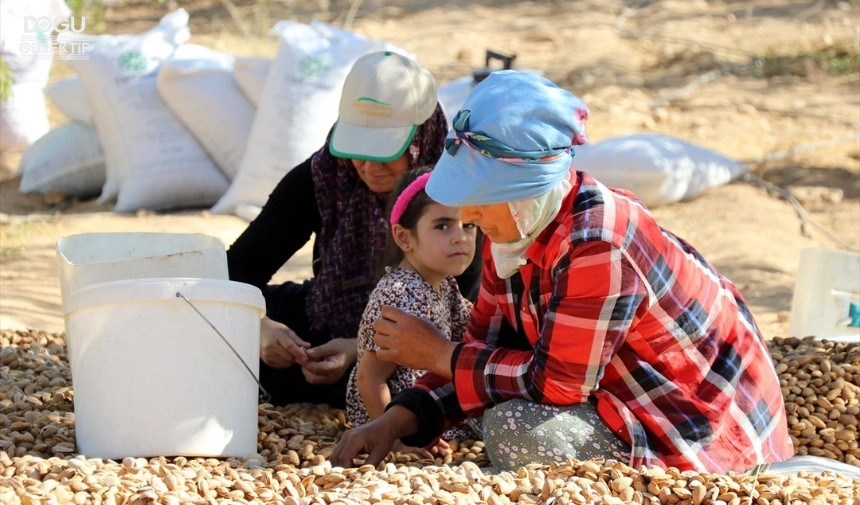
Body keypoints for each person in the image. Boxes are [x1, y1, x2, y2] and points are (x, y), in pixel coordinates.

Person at [331, 71, 794, 473]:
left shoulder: (598, 244)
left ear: (525, 191)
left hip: (693, 426)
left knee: (514, 427)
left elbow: (554, 384)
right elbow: (483, 346)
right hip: (615, 396)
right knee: (492, 399)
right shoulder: (512, 235)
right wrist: (395, 422)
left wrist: (436, 354)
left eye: (479, 195)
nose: (467, 214)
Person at [226, 51, 481, 407]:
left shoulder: (455, 193)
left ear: (421, 137)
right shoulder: (325, 175)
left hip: (419, 342)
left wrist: (359, 349)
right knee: (211, 314)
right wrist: (256, 325)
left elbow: (461, 315)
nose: (366, 165)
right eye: (358, 149)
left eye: (384, 151)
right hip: (329, 316)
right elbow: (239, 265)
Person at [345, 167, 478, 456]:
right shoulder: (399, 296)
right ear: (404, 238)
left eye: (469, 225)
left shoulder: (444, 284)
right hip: (393, 413)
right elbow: (370, 378)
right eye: (443, 226)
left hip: (428, 398)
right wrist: (394, 440)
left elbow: (474, 328)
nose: (460, 237)